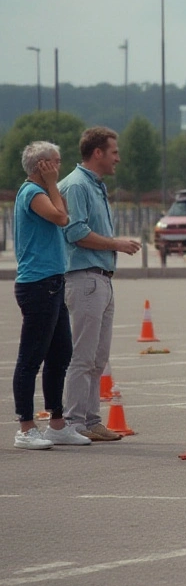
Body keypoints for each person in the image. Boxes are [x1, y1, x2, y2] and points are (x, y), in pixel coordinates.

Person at [59, 127, 142, 442]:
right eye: (113, 152)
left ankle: (91, 420)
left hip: (101, 278)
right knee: (82, 355)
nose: (117, 158)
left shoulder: (95, 185)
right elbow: (75, 232)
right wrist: (115, 245)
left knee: (97, 356)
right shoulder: (78, 186)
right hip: (85, 278)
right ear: (97, 153)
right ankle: (74, 422)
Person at [12, 142, 92, 449]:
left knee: (60, 355)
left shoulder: (44, 192)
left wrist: (51, 187)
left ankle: (57, 424)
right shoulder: (32, 193)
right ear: (40, 166)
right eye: (54, 163)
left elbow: (62, 213)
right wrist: (49, 185)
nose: (59, 167)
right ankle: (26, 427)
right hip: (38, 284)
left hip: (54, 282)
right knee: (31, 357)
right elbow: (61, 218)